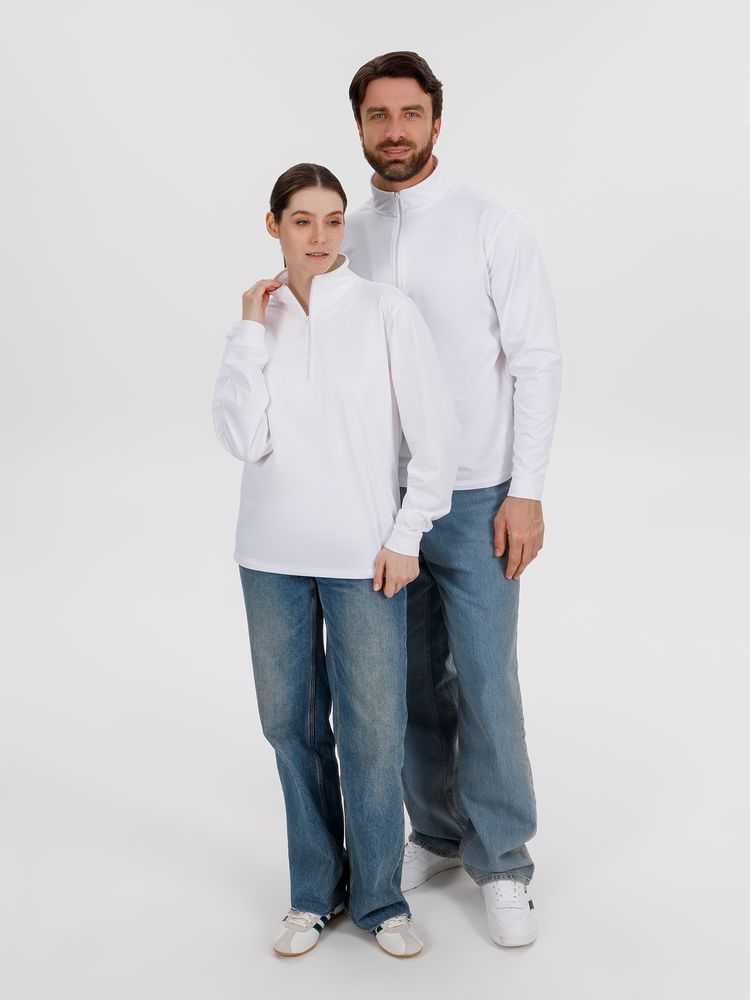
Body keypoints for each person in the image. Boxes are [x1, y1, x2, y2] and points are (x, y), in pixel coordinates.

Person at [341, 52, 562, 948]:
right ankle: (435, 835)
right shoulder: (347, 230)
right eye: (378, 115)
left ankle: (503, 861)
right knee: (406, 683)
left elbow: (537, 359)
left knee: (485, 679)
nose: (394, 130)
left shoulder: (490, 224)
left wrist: (527, 492)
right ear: (359, 126)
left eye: (410, 113)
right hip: (379, 499)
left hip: (476, 498)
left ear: (437, 121)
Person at [211, 162, 459, 958]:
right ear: (274, 225)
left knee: (373, 730)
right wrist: (249, 331)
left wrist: (406, 535)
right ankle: (314, 893)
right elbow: (242, 438)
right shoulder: (262, 321)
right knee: (290, 727)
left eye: (331, 219)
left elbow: (436, 438)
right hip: (269, 556)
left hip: (365, 557)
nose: (319, 236)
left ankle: (381, 899)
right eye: (302, 220)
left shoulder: (386, 310)